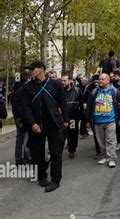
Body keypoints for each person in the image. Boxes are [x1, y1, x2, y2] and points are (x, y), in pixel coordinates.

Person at [21, 60, 69, 192]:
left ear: (41, 69)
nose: (31, 71)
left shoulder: (55, 84)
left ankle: (55, 180)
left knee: (55, 153)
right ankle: (41, 177)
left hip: (54, 124)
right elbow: (25, 108)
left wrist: (66, 119)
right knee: (37, 153)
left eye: (33, 69)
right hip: (36, 126)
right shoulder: (27, 87)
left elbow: (63, 103)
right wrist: (32, 124)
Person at [86, 73, 120, 168]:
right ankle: (104, 156)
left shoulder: (115, 91)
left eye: (102, 79)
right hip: (97, 121)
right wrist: (87, 120)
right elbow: (89, 107)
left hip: (110, 120)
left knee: (111, 140)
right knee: (100, 141)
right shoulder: (94, 92)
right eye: (99, 79)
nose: (100, 81)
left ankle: (111, 159)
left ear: (108, 80)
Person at [61, 73, 84, 159]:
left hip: (73, 116)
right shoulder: (59, 90)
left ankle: (72, 150)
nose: (62, 82)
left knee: (72, 134)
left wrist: (81, 115)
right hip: (62, 116)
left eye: (64, 81)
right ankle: (57, 150)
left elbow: (82, 102)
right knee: (60, 134)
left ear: (70, 81)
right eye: (61, 81)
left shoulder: (77, 91)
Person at [11, 74, 31, 165]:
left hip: (17, 118)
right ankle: (27, 158)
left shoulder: (15, 90)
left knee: (19, 139)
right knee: (27, 138)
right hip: (24, 118)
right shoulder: (23, 90)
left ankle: (18, 159)